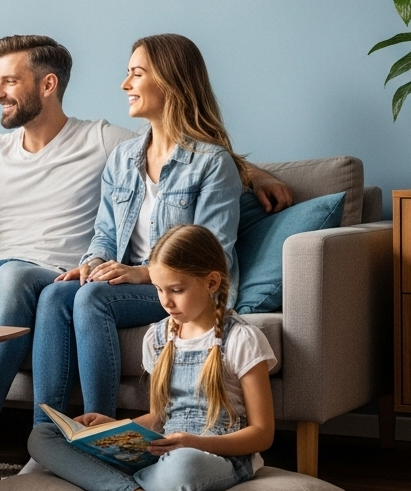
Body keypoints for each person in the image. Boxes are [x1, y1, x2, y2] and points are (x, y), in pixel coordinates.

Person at [0, 35, 291, 486]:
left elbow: (201, 187)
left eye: (9, 81)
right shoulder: (17, 151)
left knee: (36, 283)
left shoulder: (102, 140)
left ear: (47, 84)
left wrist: (254, 174)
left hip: (68, 277)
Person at [32, 34, 252, 430]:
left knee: (93, 298)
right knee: (55, 294)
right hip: (126, 281)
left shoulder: (211, 164)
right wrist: (93, 263)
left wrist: (142, 273)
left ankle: (100, 435)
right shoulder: (123, 157)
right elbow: (105, 232)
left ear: (169, 81)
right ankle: (46, 432)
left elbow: (211, 255)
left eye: (136, 74)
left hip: (183, 288)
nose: (125, 84)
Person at [28, 224, 276, 491]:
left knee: (183, 464)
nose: (165, 302)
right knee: (43, 435)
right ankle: (132, 488)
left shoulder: (241, 339)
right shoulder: (158, 337)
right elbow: (159, 417)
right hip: (163, 452)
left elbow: (262, 434)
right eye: (159, 289)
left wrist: (194, 443)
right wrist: (112, 428)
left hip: (212, 457)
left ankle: (123, 483)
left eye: (176, 290)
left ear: (211, 283)